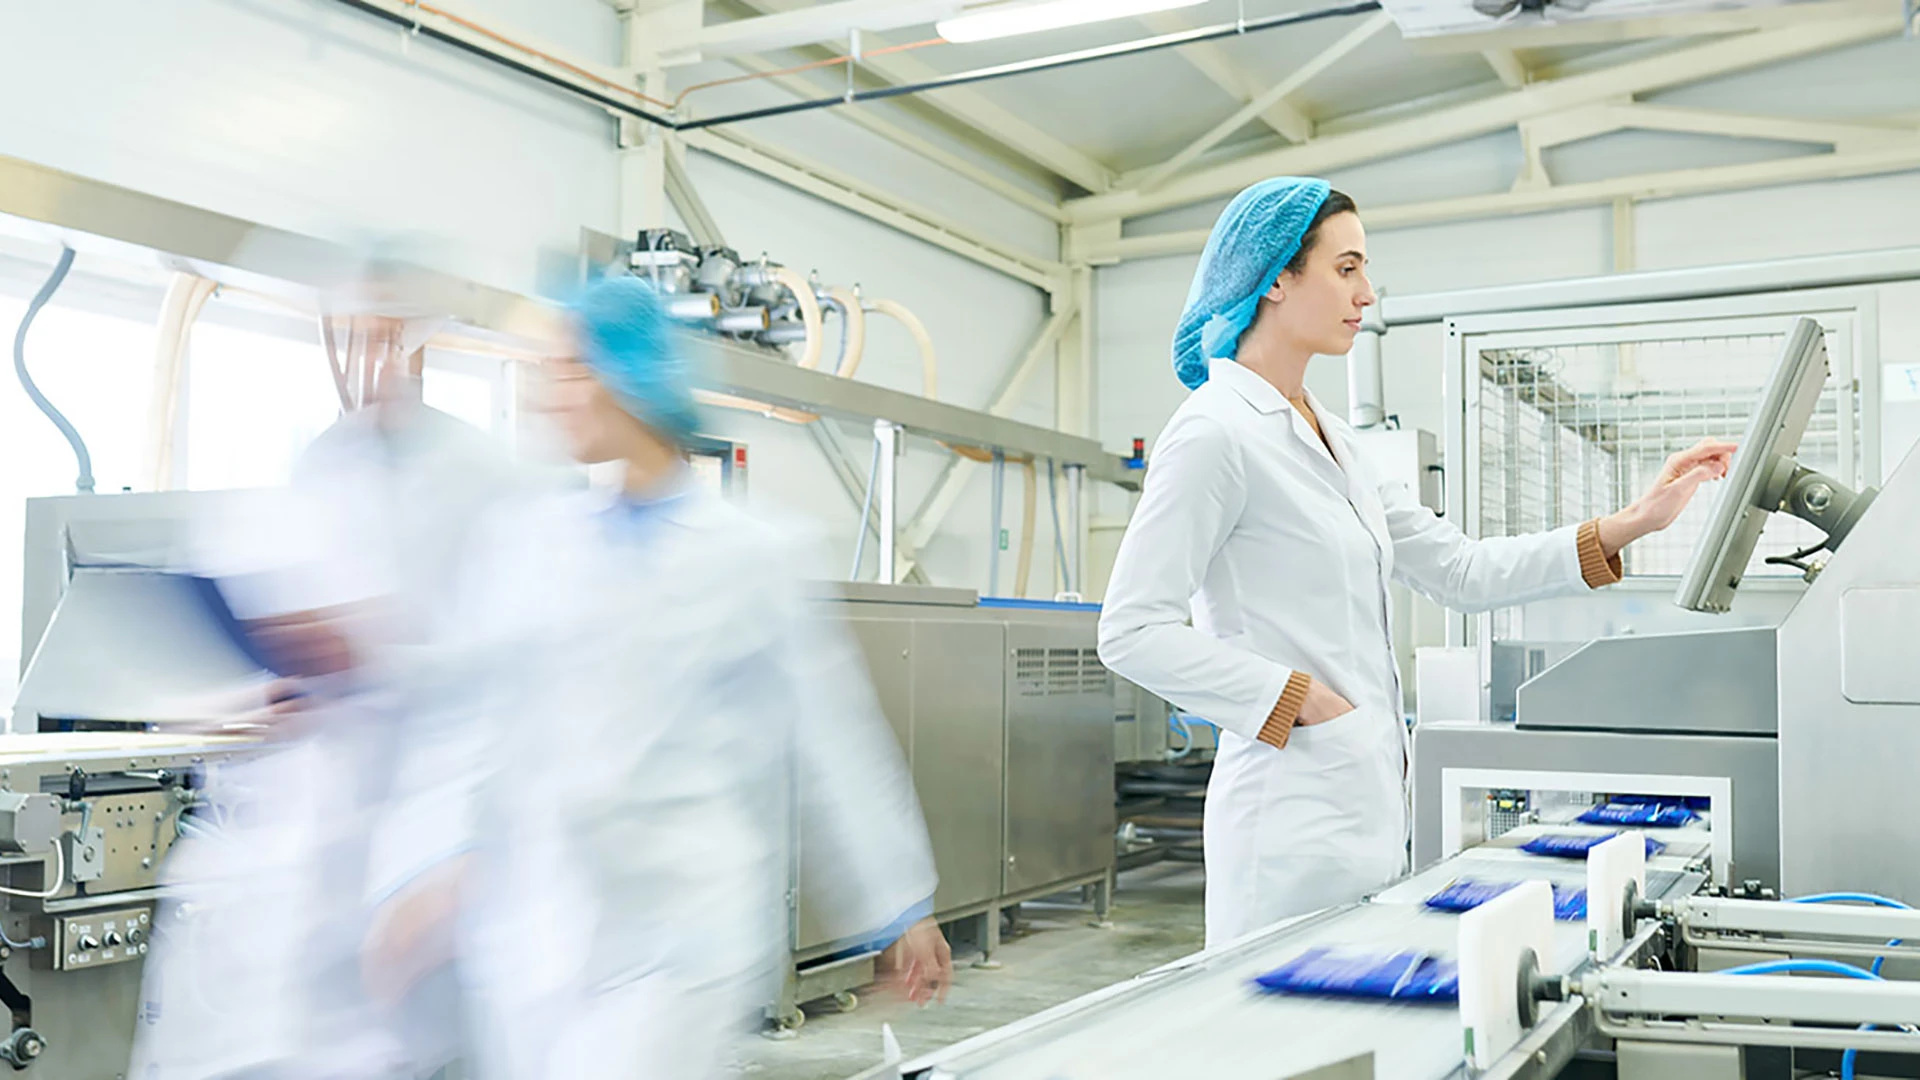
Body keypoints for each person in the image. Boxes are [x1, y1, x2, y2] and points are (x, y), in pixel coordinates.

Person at [1096, 177, 1735, 947]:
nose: (1366, 294)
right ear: (1274, 278)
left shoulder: (1333, 437)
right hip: (1285, 822)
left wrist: (1632, 523)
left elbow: (1460, 571)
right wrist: (1296, 699)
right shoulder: (1214, 433)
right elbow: (1131, 629)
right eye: (1346, 269)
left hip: (1365, 810)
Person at [359, 275, 949, 1080]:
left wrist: (897, 903)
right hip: (543, 923)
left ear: (627, 378)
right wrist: (428, 865)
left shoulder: (750, 554)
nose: (547, 393)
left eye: (568, 370)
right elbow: (468, 719)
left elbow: (830, 733)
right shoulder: (529, 542)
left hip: (679, 927)